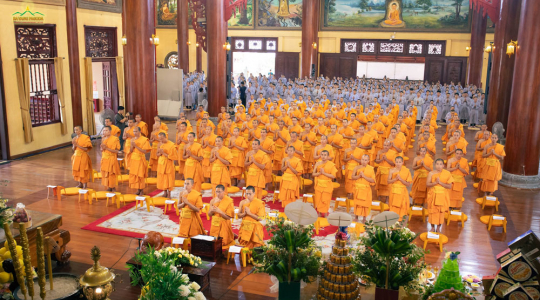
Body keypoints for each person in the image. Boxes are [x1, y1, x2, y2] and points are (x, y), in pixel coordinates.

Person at [426, 159, 454, 233]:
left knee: (441, 212)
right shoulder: (431, 173)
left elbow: (449, 186)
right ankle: (432, 227)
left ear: (443, 165)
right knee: (432, 211)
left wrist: (440, 183)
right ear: (435, 165)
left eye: (440, 164)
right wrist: (435, 183)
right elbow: (427, 184)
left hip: (442, 195)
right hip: (433, 194)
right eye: (437, 164)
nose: (439, 166)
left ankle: (438, 227)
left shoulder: (447, 173)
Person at [208, 184, 235, 249]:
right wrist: (211, 211)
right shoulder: (213, 201)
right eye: (216, 192)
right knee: (213, 241)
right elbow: (209, 215)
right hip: (215, 224)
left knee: (223, 242)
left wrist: (219, 211)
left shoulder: (229, 201)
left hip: (224, 224)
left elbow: (228, 217)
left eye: (219, 192)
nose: (217, 194)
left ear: (224, 192)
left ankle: (231, 234)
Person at [351, 154, 376, 223]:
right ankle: (356, 217)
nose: (364, 161)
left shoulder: (370, 169)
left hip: (366, 189)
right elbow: (352, 177)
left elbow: (373, 180)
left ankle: (364, 218)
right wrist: (359, 176)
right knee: (357, 203)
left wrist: (364, 176)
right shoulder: (357, 167)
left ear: (368, 161)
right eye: (362, 159)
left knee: (365, 204)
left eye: (365, 160)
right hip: (358, 188)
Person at [312, 150, 337, 217]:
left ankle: (325, 214)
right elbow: (313, 174)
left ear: (328, 156)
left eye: (325, 155)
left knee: (326, 200)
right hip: (319, 184)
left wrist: (324, 173)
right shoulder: (317, 163)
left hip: (327, 185)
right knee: (319, 199)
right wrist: (319, 173)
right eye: (322, 155)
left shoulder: (331, 165)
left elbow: (333, 176)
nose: (323, 156)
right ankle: (319, 213)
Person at [128, 126, 152, 195]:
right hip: (134, 159)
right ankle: (138, 189)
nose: (134, 133)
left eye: (136, 131)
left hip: (140, 158)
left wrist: (136, 146)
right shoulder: (132, 139)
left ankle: (142, 190)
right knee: (135, 175)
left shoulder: (144, 139)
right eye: (133, 131)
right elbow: (130, 151)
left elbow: (144, 151)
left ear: (140, 131)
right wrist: (132, 146)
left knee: (140, 175)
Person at [388, 156, 412, 222]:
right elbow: (388, 181)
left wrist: (400, 179)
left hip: (402, 191)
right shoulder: (392, 170)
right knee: (393, 205)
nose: (398, 163)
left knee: (402, 206)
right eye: (397, 162)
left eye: (400, 162)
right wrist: (395, 179)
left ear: (402, 162)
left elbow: (408, 184)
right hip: (394, 191)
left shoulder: (406, 171)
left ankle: (401, 221)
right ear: (395, 162)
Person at [156, 132, 178, 198]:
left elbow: (174, 157)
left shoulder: (171, 145)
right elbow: (157, 154)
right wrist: (160, 153)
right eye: (159, 139)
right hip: (161, 163)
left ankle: (169, 193)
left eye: (162, 139)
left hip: (168, 163)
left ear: (165, 137)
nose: (161, 140)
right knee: (162, 178)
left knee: (169, 178)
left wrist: (163, 153)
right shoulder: (159, 144)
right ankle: (164, 192)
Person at [99, 126, 121, 192]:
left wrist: (107, 148)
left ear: (110, 131)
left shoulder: (115, 139)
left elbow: (117, 151)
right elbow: (101, 149)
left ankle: (113, 186)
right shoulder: (103, 139)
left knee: (112, 173)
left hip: (112, 158)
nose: (104, 132)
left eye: (106, 130)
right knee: (106, 173)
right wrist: (102, 148)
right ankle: (108, 186)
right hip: (104, 158)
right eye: (104, 130)